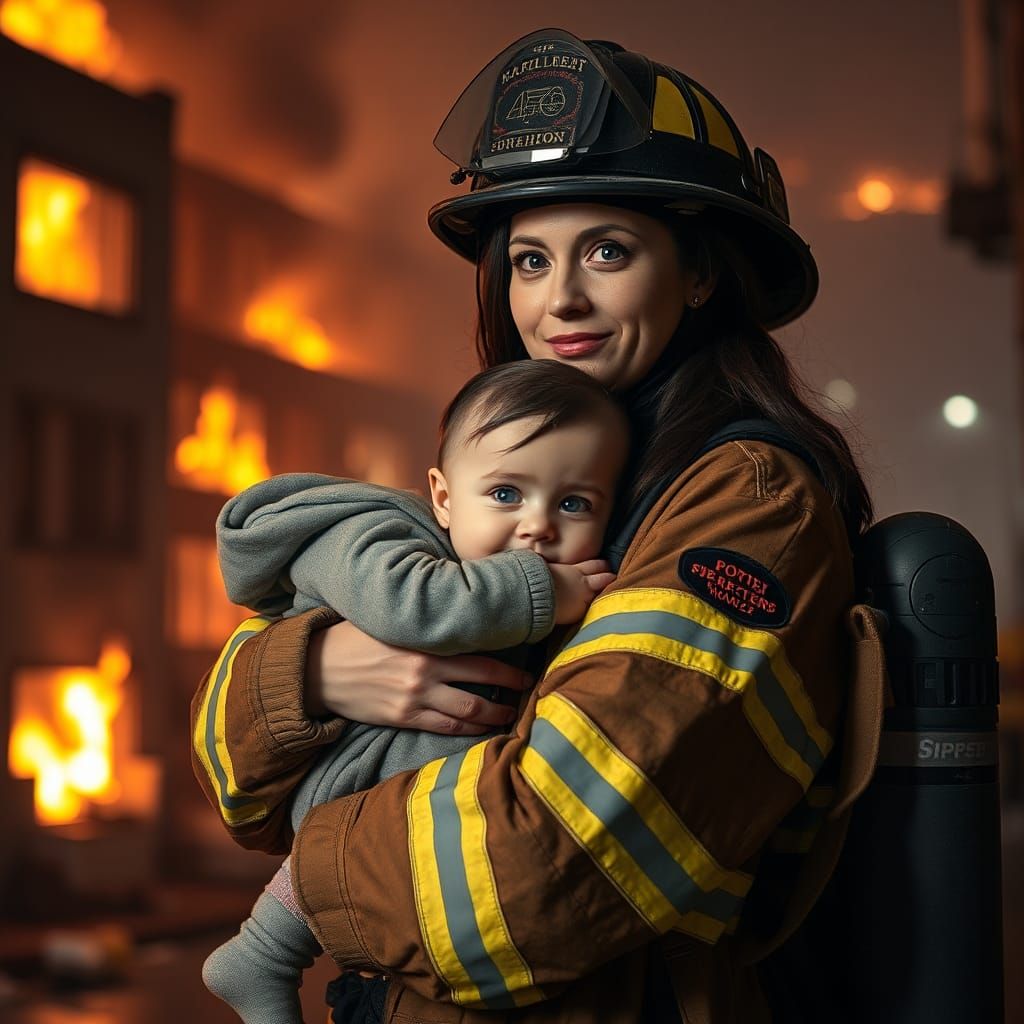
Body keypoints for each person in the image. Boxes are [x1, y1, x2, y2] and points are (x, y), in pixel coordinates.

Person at [190, 29, 876, 1023]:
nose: (559, 299)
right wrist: (318, 669)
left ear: (699, 273)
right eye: (527, 259)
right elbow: (234, 780)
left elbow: (532, 873)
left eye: (607, 250)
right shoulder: (545, 471)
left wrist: (309, 868)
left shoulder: (742, 501)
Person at [198, 359, 628, 1024]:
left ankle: (267, 951)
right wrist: (549, 590)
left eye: (573, 504)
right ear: (445, 495)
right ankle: (263, 950)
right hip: (342, 775)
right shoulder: (370, 533)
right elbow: (414, 607)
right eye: (507, 495)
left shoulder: (489, 579)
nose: (538, 526)